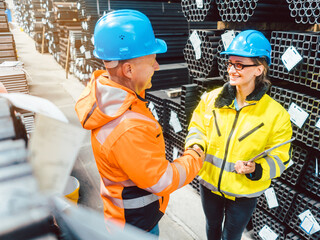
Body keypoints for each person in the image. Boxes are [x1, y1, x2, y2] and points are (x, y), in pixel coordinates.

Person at [75, 9, 204, 236]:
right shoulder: (127, 127)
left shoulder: (109, 96)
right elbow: (162, 180)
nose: (156, 67)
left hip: (121, 214)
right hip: (135, 226)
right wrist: (195, 156)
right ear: (128, 69)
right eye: (152, 60)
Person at [185, 30, 293, 240]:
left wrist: (257, 169)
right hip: (209, 183)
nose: (231, 70)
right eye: (230, 63)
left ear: (259, 69)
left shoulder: (276, 114)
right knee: (212, 227)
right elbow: (196, 127)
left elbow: (282, 157)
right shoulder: (211, 99)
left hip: (244, 191)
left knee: (231, 235)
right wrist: (196, 145)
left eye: (240, 65)